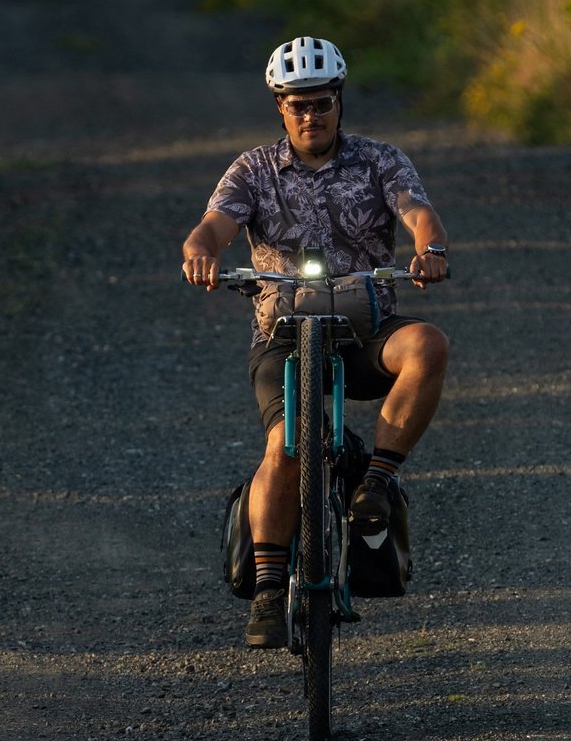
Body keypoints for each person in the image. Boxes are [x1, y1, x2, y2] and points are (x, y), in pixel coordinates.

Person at [182, 36, 450, 649]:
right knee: (284, 446)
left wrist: (429, 251)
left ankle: (376, 484)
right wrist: (199, 253)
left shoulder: (382, 162)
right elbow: (213, 227)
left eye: (322, 102)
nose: (312, 115)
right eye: (298, 104)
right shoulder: (251, 169)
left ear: (340, 102)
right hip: (283, 332)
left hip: (366, 331)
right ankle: (271, 591)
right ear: (280, 107)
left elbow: (416, 212)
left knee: (428, 346)